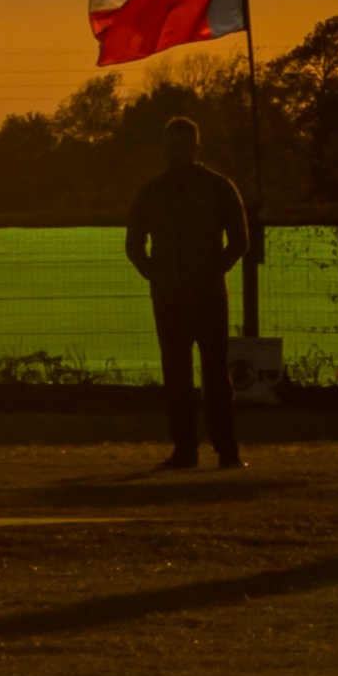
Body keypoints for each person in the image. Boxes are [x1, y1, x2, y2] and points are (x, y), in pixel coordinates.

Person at [121, 109, 253, 472]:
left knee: (215, 377)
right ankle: (185, 450)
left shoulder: (218, 187)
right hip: (169, 299)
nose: (178, 151)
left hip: (209, 298)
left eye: (184, 145)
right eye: (172, 145)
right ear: (165, 148)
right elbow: (133, 245)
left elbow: (240, 240)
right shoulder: (151, 192)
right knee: (177, 378)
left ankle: (227, 451)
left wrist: (213, 271)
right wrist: (156, 275)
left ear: (197, 147)